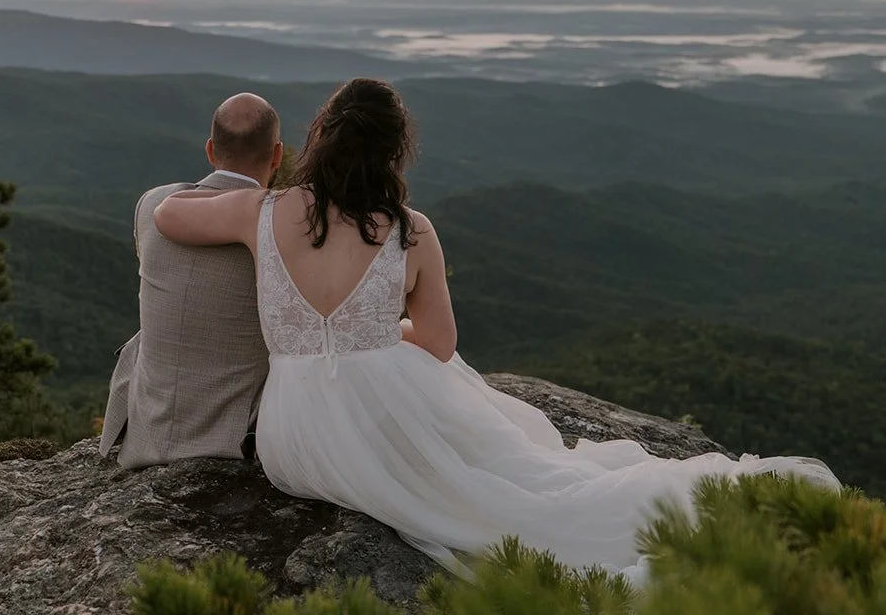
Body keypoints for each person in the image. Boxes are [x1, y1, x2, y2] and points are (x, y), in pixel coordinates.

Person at [153, 78, 838, 579]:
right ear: (394, 153)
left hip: (295, 440)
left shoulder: (259, 212)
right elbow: (440, 343)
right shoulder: (410, 231)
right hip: (373, 408)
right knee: (513, 467)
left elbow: (166, 215)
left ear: (317, 142)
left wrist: (259, 188)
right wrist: (374, 335)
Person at [100, 92, 283, 467]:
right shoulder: (281, 225)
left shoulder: (153, 204)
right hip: (235, 440)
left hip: (147, 431)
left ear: (211, 150)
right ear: (277, 155)